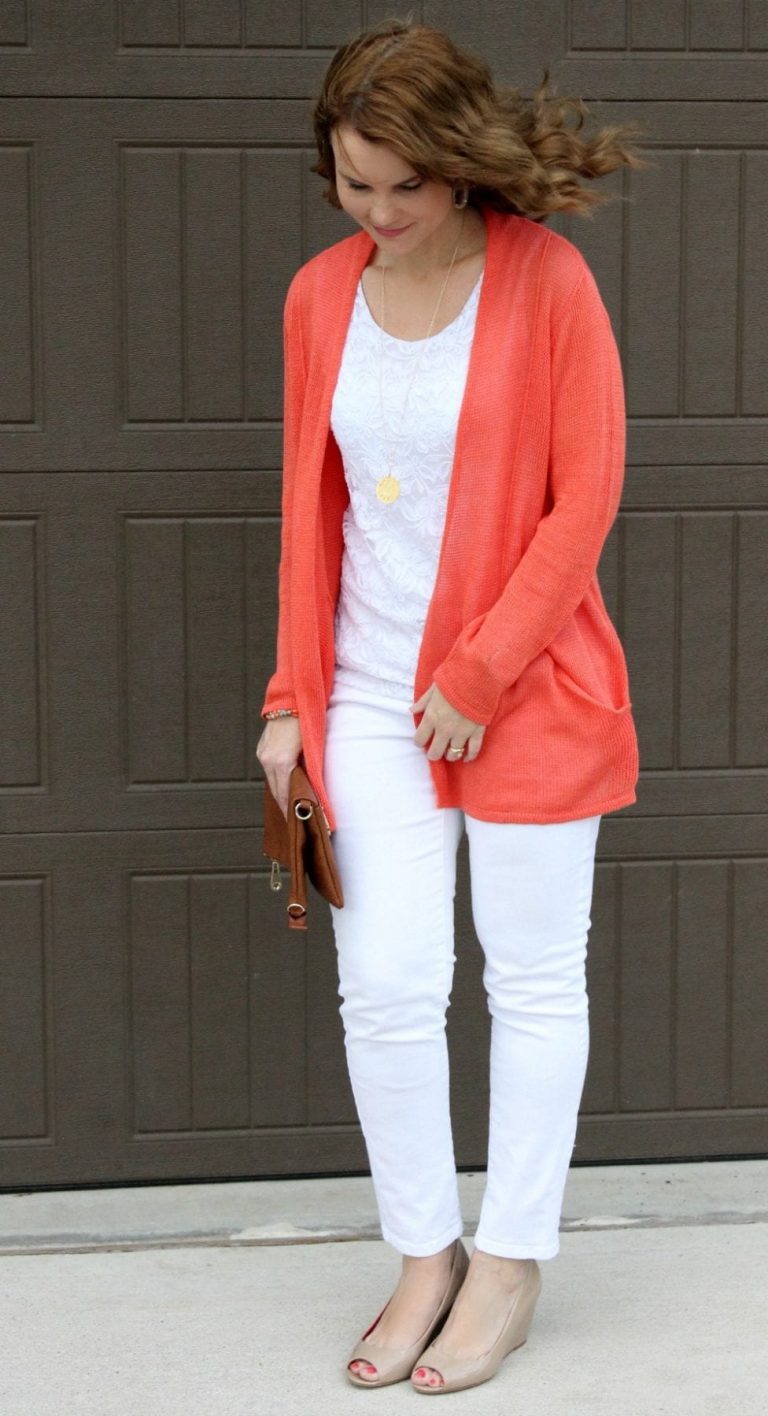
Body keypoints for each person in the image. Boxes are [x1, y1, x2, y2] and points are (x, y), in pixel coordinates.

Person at [256, 15, 643, 1397]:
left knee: (532, 980)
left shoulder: (545, 280)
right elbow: (311, 509)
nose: (377, 212)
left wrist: (479, 675)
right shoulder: (319, 297)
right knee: (386, 987)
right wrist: (289, 698)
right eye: (353, 184)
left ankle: (511, 1262)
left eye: (403, 185)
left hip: (525, 683)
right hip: (365, 692)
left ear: (459, 160)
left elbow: (585, 494)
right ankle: (425, 1254)